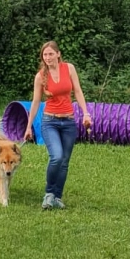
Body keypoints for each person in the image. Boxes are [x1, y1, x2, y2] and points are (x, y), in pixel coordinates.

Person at [24, 41, 92, 211]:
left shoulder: (69, 68)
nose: (47, 58)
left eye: (50, 54)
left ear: (58, 54)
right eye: (45, 55)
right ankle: (49, 193)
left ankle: (57, 196)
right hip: (50, 121)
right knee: (56, 156)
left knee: (64, 162)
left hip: (68, 121)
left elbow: (77, 91)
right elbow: (35, 102)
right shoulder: (40, 76)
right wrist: (28, 126)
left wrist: (85, 113)